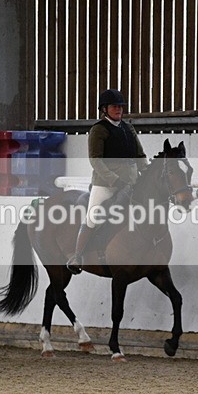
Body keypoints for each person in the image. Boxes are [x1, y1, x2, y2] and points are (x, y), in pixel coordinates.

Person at [66, 88, 148, 274]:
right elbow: (96, 160)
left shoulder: (128, 128)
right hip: (105, 184)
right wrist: (115, 180)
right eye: (114, 106)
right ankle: (78, 256)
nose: (118, 109)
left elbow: (140, 154)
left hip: (132, 182)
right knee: (93, 217)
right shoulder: (99, 130)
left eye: (120, 106)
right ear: (104, 109)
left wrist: (146, 171)